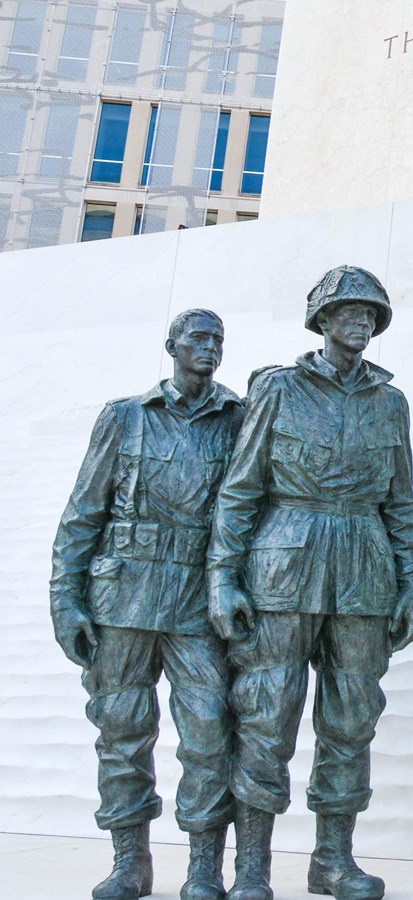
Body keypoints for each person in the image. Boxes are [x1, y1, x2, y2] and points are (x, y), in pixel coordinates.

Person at [208, 266, 413, 900]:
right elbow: (240, 489)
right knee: (266, 714)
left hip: (364, 567)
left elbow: (401, 502)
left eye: (371, 314)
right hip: (283, 564)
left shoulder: (391, 402)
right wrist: (223, 577)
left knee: (352, 717)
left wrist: (412, 582)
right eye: (349, 311)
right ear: (322, 320)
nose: (361, 321)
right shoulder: (277, 389)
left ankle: (333, 859)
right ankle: (252, 868)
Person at [50, 309, 243, 900]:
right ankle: (129, 862)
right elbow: (83, 512)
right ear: (172, 346)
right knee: (121, 733)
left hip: (195, 598)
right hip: (121, 595)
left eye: (217, 340)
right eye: (197, 338)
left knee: (210, 732)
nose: (208, 348)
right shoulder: (126, 417)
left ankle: (204, 866)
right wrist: (67, 598)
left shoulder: (240, 418)